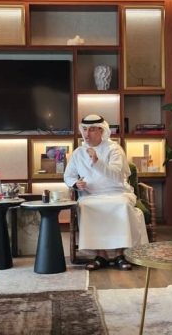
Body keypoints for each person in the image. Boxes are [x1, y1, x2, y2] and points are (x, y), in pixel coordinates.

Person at [63, 114, 148, 271]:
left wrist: (97, 162)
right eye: (85, 129)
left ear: (101, 131)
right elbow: (68, 176)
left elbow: (116, 175)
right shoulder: (78, 153)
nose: (87, 134)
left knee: (121, 205)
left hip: (118, 192)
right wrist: (75, 183)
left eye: (92, 130)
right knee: (86, 206)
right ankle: (101, 255)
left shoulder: (114, 149)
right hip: (91, 195)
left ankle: (120, 254)